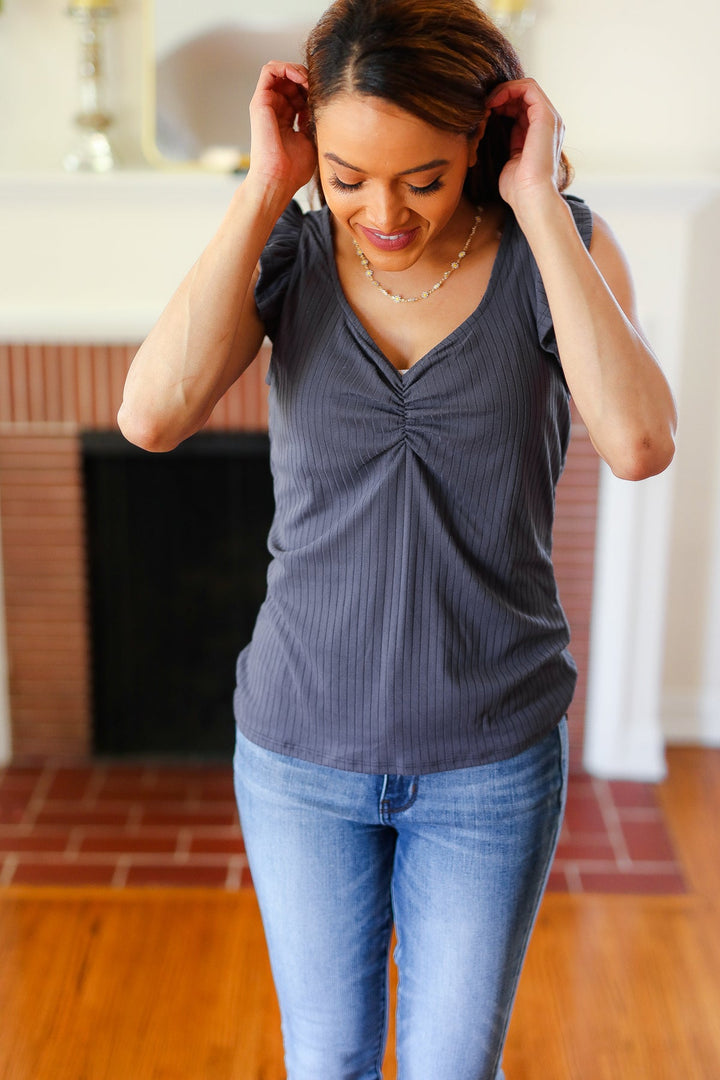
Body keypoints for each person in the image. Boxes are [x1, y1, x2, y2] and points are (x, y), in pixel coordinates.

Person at [118, 1, 677, 1076]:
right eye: (348, 177)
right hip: (298, 755)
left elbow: (641, 441)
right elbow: (150, 415)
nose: (384, 213)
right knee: (327, 1063)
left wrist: (541, 203)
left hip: (490, 759)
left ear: (483, 138)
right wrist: (262, 187)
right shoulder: (290, 250)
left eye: (422, 178)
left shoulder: (557, 251)